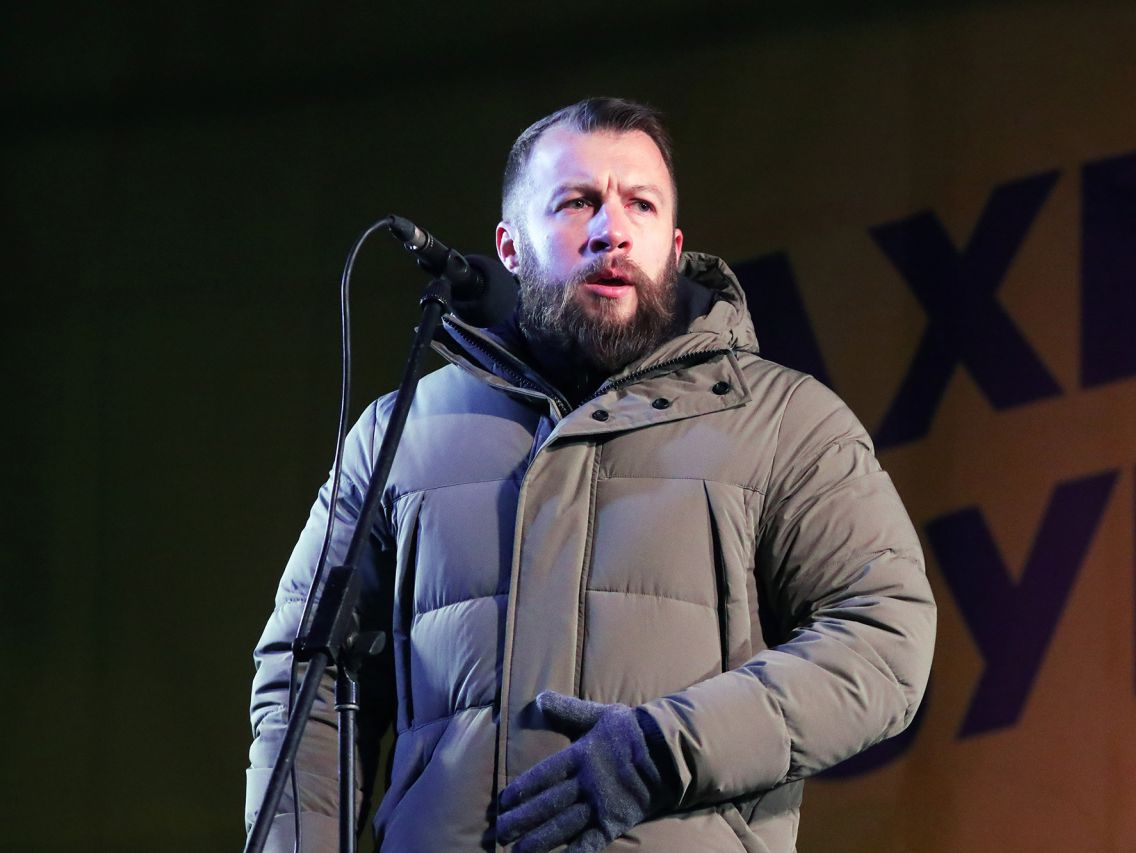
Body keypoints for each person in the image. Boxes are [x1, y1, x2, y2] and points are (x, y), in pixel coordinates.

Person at [247, 96, 936, 852]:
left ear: (674, 246)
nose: (612, 229)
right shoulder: (403, 430)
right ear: (509, 247)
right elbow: (306, 677)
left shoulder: (784, 423)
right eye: (578, 202)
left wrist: (658, 751)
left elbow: (884, 637)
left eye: (640, 203)